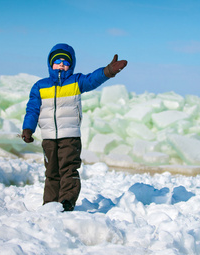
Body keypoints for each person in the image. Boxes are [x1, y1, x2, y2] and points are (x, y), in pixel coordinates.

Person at [21, 43, 127, 211]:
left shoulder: (76, 82)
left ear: (71, 64)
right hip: (48, 138)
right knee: (51, 173)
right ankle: (49, 204)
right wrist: (28, 129)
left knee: (68, 170)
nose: (61, 64)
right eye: (57, 61)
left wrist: (108, 71)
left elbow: (92, 79)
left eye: (65, 61)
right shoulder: (40, 86)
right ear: (50, 63)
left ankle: (66, 202)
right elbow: (32, 109)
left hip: (70, 136)